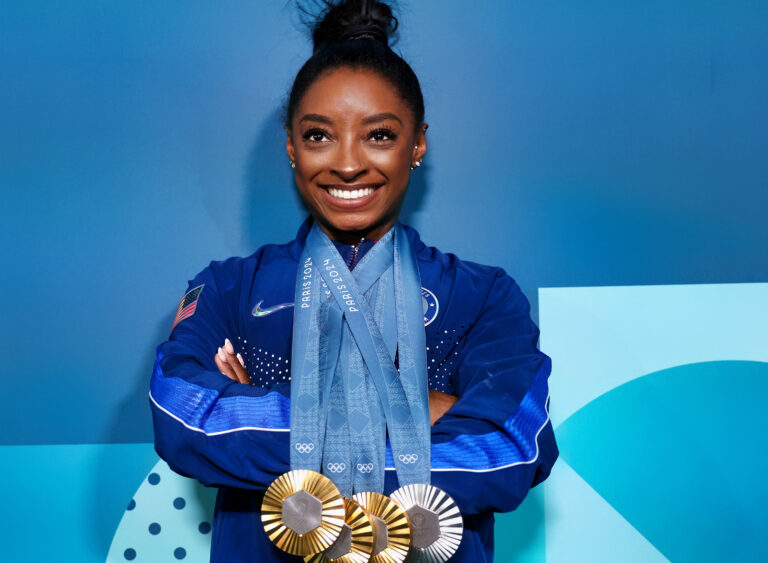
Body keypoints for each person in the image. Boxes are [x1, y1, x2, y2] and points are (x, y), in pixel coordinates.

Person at [150, 1, 558, 560]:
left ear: (417, 144)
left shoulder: (483, 296)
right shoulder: (229, 289)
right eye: (319, 136)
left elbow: (509, 450)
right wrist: (427, 408)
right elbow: (182, 418)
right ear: (291, 145)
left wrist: (260, 407)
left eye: (379, 136)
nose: (346, 164)